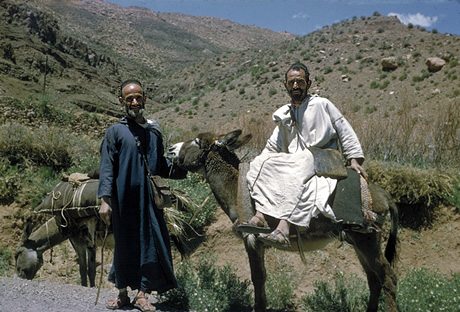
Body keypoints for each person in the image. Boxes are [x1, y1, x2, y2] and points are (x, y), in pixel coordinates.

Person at [238, 62, 366, 248]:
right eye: (291, 83)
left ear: (308, 83)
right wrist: (264, 162)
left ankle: (284, 227)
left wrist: (354, 159)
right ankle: (260, 215)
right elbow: (273, 145)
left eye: (300, 82)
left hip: (325, 157)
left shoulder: (322, 104)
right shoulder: (285, 114)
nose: (296, 86)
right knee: (260, 162)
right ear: (285, 85)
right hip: (297, 160)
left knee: (299, 160)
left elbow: (343, 128)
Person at [98, 79, 187, 312]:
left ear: (144, 98)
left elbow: (160, 165)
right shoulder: (115, 131)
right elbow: (107, 166)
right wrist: (105, 200)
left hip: (148, 200)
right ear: (122, 101)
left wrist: (184, 166)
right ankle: (122, 294)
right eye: (129, 98)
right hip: (123, 199)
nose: (135, 102)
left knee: (149, 245)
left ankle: (142, 294)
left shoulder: (154, 132)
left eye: (138, 97)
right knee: (124, 245)